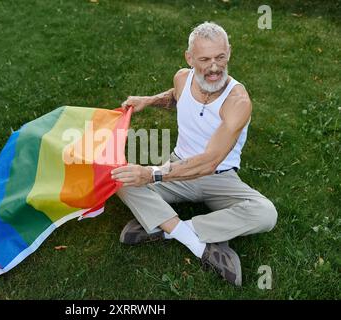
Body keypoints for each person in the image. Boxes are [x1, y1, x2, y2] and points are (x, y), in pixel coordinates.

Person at [111, 22, 277, 286]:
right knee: (119, 179)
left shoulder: (238, 101)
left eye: (220, 57)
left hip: (220, 177)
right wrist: (150, 100)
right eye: (205, 59)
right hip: (179, 168)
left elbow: (210, 162)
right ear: (189, 59)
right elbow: (178, 96)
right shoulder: (182, 77)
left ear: (229, 53)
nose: (214, 67)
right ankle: (203, 246)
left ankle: (167, 230)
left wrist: (151, 174)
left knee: (265, 214)